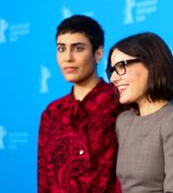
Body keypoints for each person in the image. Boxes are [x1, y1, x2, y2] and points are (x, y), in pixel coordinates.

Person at [38, 15, 121, 192]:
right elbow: (44, 180)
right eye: (61, 49)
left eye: (78, 48)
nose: (68, 57)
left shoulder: (119, 103)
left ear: (98, 53)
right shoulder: (52, 113)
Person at [107, 32, 173, 193]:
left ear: (151, 64)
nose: (112, 78)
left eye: (121, 67)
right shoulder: (123, 121)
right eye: (112, 70)